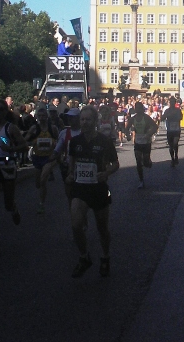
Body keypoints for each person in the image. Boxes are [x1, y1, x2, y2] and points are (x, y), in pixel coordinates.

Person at [66, 105, 119, 278]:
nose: (84, 122)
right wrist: (70, 175)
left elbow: (115, 163)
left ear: (95, 121)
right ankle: (84, 257)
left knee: (102, 228)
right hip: (80, 189)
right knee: (75, 225)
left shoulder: (104, 141)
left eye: (88, 119)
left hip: (99, 189)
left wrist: (107, 173)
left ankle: (105, 256)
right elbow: (71, 164)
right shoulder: (75, 142)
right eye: (82, 119)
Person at [0, 99, 28, 254]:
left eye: (1, 109)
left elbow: (23, 145)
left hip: (8, 164)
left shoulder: (11, 128)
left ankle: (13, 208)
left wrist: (11, 148)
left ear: (6, 111)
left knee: (7, 203)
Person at [25, 105, 58, 213]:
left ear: (47, 116)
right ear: (37, 117)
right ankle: (41, 196)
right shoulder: (35, 128)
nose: (42, 117)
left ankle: (41, 203)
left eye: (44, 115)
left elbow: (58, 141)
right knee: (38, 183)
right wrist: (32, 142)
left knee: (43, 179)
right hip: (37, 157)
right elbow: (26, 140)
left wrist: (55, 144)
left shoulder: (52, 128)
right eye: (40, 115)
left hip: (49, 158)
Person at [127, 102, 158, 189]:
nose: (138, 109)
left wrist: (149, 134)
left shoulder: (146, 117)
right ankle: (141, 180)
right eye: (136, 108)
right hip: (137, 142)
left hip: (146, 142)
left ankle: (148, 161)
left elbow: (155, 126)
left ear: (142, 109)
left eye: (140, 108)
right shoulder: (133, 118)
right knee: (138, 162)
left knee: (146, 162)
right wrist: (128, 135)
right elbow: (126, 128)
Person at [162, 96, 183, 166]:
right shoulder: (167, 110)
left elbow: (181, 117)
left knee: (175, 143)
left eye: (173, 102)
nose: (171, 103)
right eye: (170, 102)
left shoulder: (178, 110)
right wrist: (164, 116)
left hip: (176, 129)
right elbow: (163, 117)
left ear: (175, 103)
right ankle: (172, 158)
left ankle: (176, 155)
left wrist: (175, 117)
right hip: (170, 130)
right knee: (171, 146)